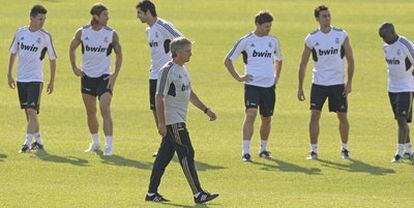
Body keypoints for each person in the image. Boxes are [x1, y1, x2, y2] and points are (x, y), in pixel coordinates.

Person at [145, 37, 219, 204]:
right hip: (173, 121)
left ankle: (151, 193)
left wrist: (206, 110)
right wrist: (161, 123)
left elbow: (190, 94)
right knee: (187, 153)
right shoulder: (167, 70)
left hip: (178, 120)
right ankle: (198, 193)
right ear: (177, 52)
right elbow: (159, 96)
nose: (190, 54)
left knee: (163, 158)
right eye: (187, 51)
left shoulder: (183, 69)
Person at [297, 5, 355, 160]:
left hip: (337, 83)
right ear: (317, 19)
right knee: (314, 115)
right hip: (319, 83)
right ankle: (314, 151)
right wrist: (300, 87)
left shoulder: (341, 35)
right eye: (324, 16)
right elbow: (303, 63)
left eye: (329, 15)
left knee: (342, 116)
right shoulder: (311, 38)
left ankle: (345, 148)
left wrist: (349, 83)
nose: (327, 18)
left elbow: (350, 59)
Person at [224, 11, 283, 161]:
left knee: (267, 118)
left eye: (270, 26)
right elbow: (228, 60)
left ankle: (263, 149)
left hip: (269, 86)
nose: (268, 29)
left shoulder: (273, 41)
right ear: (257, 24)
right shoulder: (246, 41)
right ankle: (245, 151)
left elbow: (279, 59)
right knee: (251, 114)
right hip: (252, 85)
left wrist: (276, 76)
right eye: (266, 26)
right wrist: (238, 77)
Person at [69, 3, 122, 156]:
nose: (108, 17)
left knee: (105, 108)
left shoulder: (111, 34)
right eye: (105, 15)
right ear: (96, 16)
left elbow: (119, 54)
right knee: (91, 111)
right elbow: (72, 47)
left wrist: (114, 75)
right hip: (87, 77)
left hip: (104, 77)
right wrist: (74, 67)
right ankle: (95, 142)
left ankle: (109, 146)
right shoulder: (82, 32)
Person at [136, 0, 183, 157]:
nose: (138, 16)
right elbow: (156, 52)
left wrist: (173, 62)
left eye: (139, 13)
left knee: (168, 110)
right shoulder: (148, 30)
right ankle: (166, 145)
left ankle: (174, 145)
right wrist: (153, 65)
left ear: (148, 12)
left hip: (167, 75)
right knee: (155, 110)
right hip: (154, 74)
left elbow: (182, 40)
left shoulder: (163, 25)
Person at [8, 4, 57, 153]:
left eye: (44, 19)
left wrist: (51, 81)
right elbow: (13, 53)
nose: (43, 22)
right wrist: (9, 74)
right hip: (21, 79)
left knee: (31, 111)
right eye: (40, 19)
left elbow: (53, 59)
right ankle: (39, 141)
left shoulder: (45, 36)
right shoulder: (20, 33)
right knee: (29, 113)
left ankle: (26, 143)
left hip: (36, 79)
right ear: (32, 17)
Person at [379, 22, 414, 163]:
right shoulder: (386, 47)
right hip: (392, 88)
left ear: (392, 33)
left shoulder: (405, 44)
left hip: (406, 88)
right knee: (401, 121)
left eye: (385, 36)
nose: (383, 40)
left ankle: (399, 153)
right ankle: (409, 150)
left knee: (401, 119)